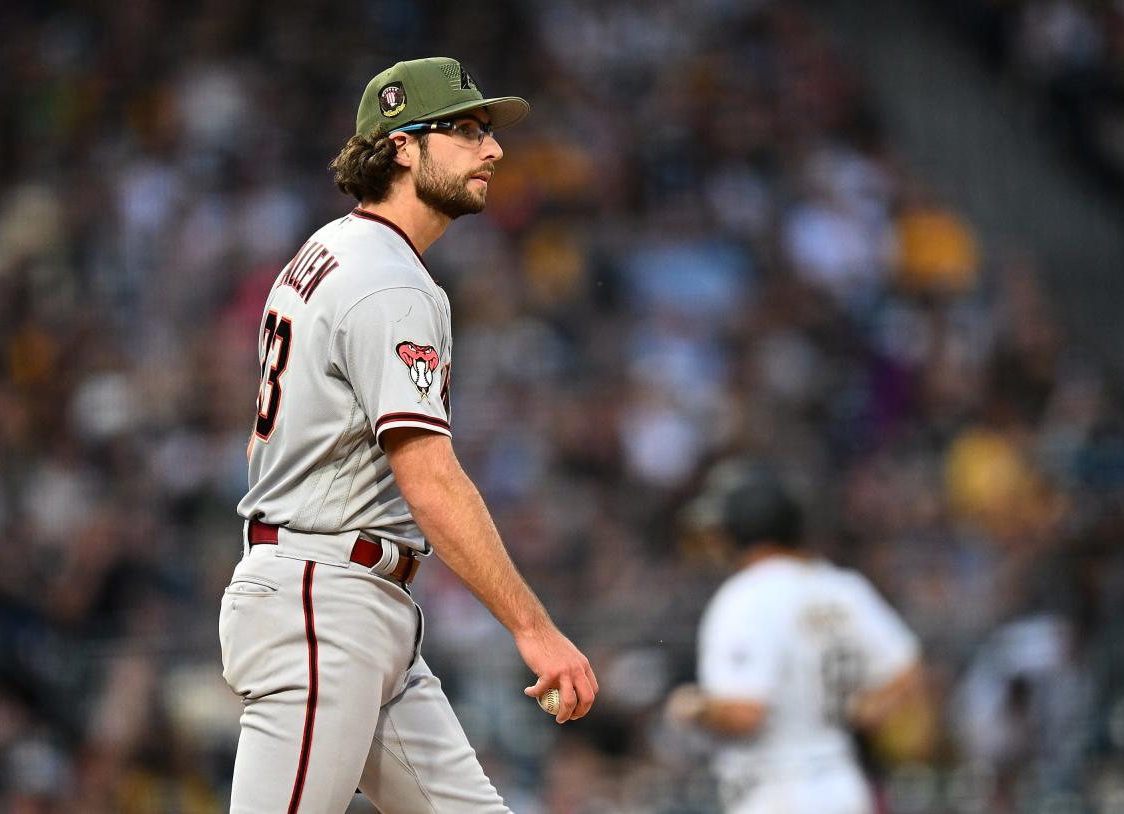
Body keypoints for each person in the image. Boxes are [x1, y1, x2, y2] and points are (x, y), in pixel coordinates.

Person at [219, 57, 598, 814]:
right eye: (464, 130)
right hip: (324, 598)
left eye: (488, 133)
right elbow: (428, 476)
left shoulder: (332, 248)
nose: (492, 150)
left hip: (352, 598)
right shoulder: (389, 279)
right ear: (400, 144)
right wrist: (536, 629)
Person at [665, 458, 925, 814]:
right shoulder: (841, 587)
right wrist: (863, 709)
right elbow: (908, 668)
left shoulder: (745, 596)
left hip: (779, 791)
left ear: (741, 529)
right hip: (843, 782)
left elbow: (745, 713)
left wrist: (695, 707)